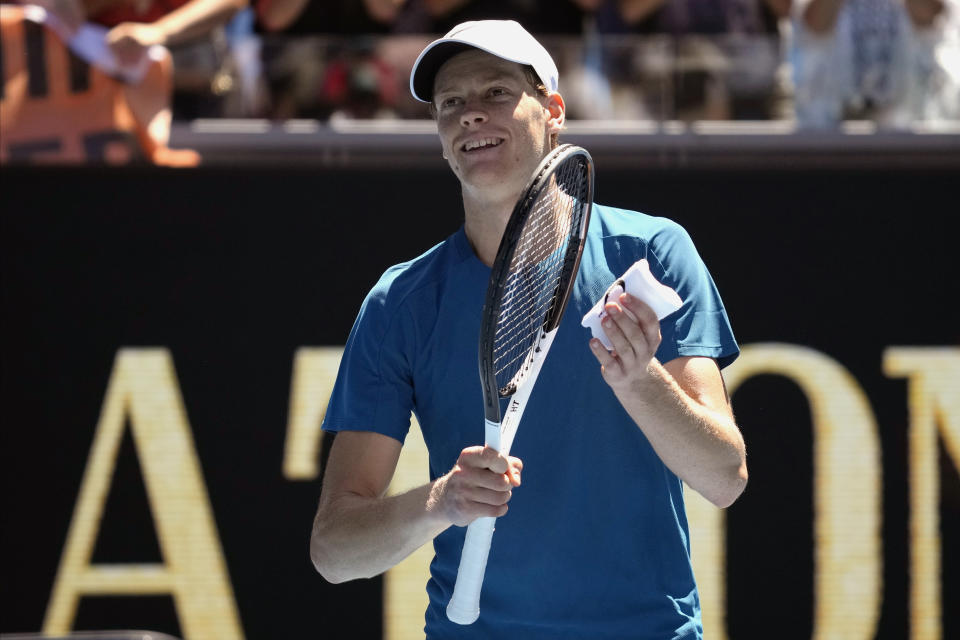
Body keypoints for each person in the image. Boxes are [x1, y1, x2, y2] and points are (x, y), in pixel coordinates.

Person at [310, 19, 748, 639]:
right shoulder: (399, 302)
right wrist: (441, 502)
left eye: (495, 94)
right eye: (451, 104)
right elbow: (333, 551)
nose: (470, 116)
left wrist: (639, 382)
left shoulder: (652, 250)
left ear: (553, 112)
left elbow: (724, 477)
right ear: (439, 137)